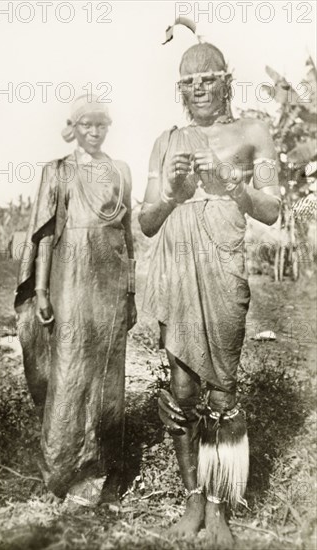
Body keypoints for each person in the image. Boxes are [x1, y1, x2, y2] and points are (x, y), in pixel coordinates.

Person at [139, 40, 281, 547]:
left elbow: (272, 210)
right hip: (176, 267)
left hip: (224, 267)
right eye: (188, 82)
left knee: (221, 390)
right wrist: (175, 194)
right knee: (181, 392)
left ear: (227, 81)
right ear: (181, 90)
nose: (199, 88)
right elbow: (148, 220)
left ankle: (221, 508)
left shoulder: (253, 132)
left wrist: (230, 185)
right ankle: (193, 501)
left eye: (208, 78)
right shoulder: (166, 140)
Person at [15, 95, 137, 506]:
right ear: (75, 126)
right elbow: (46, 236)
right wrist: (43, 291)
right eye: (87, 125)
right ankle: (63, 472)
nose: (95, 131)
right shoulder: (59, 171)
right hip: (70, 281)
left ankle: (102, 472)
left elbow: (129, 237)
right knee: (68, 376)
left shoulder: (119, 171)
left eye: (101, 124)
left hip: (110, 287)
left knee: (107, 380)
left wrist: (131, 294)